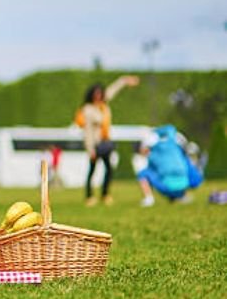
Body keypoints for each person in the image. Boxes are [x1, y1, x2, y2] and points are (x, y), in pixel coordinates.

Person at [77, 75, 139, 206]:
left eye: (101, 93)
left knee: (109, 170)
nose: (99, 96)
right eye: (96, 93)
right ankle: (89, 196)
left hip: (106, 143)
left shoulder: (103, 106)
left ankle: (105, 194)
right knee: (92, 171)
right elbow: (87, 131)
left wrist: (124, 80)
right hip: (95, 144)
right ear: (92, 95)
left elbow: (112, 90)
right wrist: (90, 149)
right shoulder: (88, 109)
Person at [135, 125, 204, 207]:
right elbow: (170, 128)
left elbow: (155, 173)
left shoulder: (152, 155)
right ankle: (182, 196)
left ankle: (149, 199)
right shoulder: (174, 146)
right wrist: (157, 131)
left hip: (167, 188)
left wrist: (153, 132)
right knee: (184, 164)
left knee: (143, 174)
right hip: (186, 184)